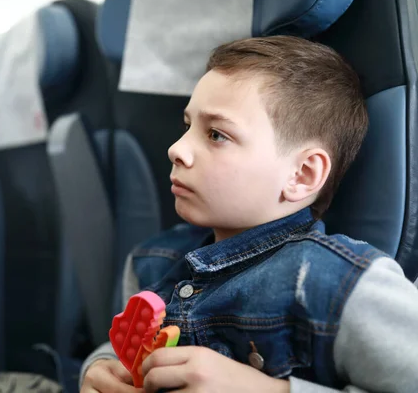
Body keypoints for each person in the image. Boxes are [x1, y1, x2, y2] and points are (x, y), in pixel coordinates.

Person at [80, 36, 418, 392]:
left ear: (301, 175)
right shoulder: (152, 261)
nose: (176, 149)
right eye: (187, 126)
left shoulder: (341, 286)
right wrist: (100, 366)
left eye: (216, 134)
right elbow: (120, 345)